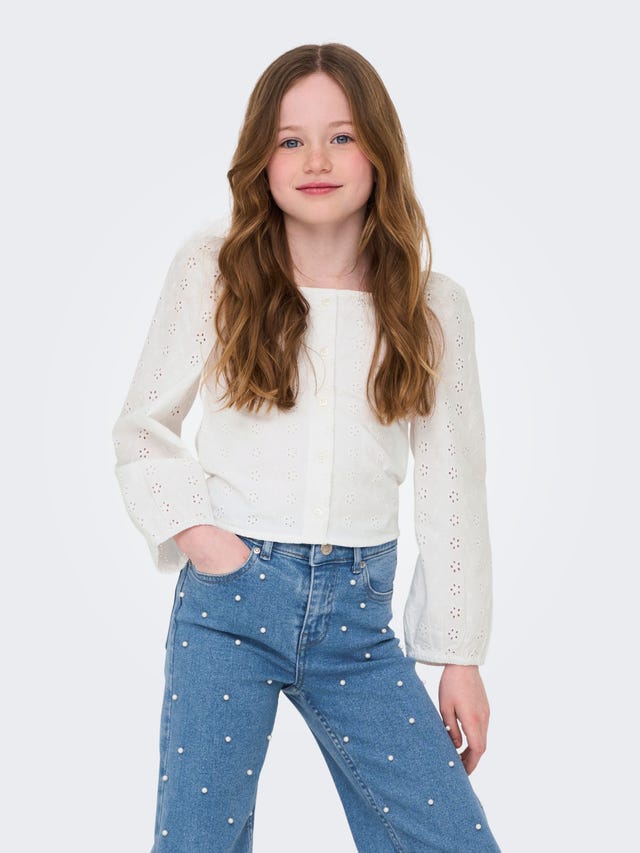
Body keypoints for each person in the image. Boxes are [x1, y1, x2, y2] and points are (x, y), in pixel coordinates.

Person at [111, 42, 500, 853]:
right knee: (198, 840)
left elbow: (452, 486)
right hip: (230, 602)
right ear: (262, 158)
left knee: (450, 838)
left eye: (341, 137)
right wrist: (208, 543)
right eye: (291, 140)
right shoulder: (216, 272)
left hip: (358, 615)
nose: (316, 160)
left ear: (379, 152)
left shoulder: (432, 308)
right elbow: (143, 429)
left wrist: (459, 656)